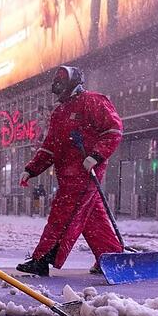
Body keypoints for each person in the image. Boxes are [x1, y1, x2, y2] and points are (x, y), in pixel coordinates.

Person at [17, 65, 124, 276]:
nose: (58, 89)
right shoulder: (60, 112)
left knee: (64, 213)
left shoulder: (94, 101)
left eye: (61, 84)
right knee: (92, 218)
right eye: (56, 85)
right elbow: (50, 147)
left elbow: (113, 130)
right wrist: (32, 169)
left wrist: (96, 155)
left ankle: (42, 258)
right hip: (67, 174)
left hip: (84, 172)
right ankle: (111, 258)